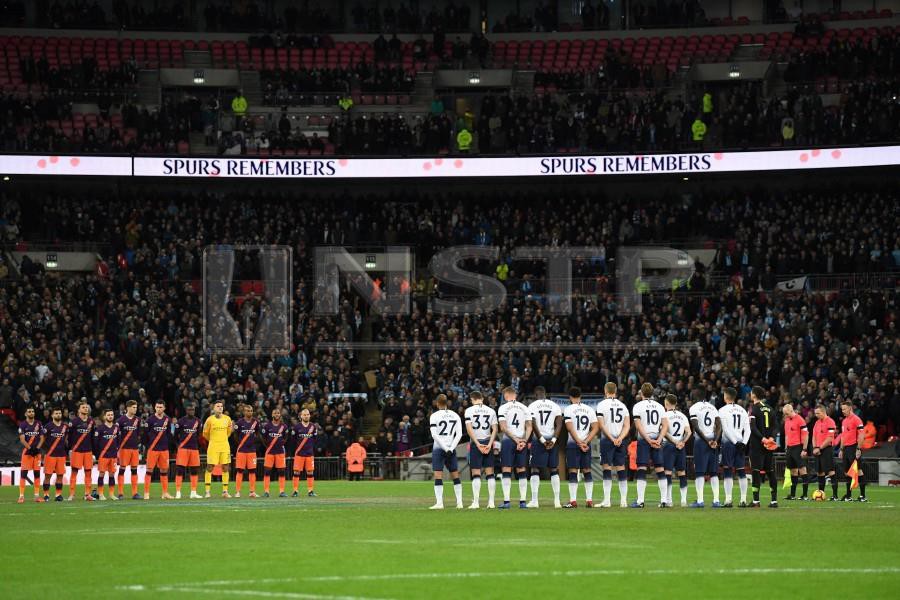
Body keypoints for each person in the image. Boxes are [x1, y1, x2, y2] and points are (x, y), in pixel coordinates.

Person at [631, 383, 669, 508]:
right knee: (660, 469)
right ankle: (664, 500)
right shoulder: (659, 406)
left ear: (641, 393)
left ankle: (640, 501)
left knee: (641, 468)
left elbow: (638, 426)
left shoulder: (637, 406)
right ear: (652, 393)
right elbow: (665, 425)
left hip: (644, 440)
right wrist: (659, 439)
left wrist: (648, 439)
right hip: (657, 439)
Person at [562, 386, 598, 509]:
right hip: (586, 444)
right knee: (587, 471)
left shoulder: (568, 409)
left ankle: (573, 501)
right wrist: (585, 442)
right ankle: (589, 500)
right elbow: (595, 428)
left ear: (570, 397)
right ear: (580, 396)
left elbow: (569, 428)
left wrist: (578, 442)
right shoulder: (589, 409)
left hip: (573, 443)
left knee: (573, 471)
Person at [596, 382, 630, 507]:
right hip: (620, 440)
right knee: (621, 467)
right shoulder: (623, 406)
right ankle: (623, 501)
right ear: (615, 391)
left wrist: (611, 438)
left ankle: (607, 500)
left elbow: (601, 424)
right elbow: (627, 425)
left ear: (605, 391)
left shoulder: (601, 405)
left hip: (607, 440)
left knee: (607, 468)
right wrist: (620, 438)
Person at [497, 386, 531, 509]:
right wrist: (524, 441)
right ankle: (522, 502)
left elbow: (503, 427)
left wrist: (515, 440)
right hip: (522, 440)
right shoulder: (524, 407)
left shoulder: (503, 408)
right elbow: (529, 427)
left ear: (506, 396)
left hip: (509, 441)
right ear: (515, 395)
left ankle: (507, 502)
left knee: (506, 469)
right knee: (521, 469)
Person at [527, 386, 562, 508]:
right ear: (545, 394)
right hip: (552, 438)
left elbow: (533, 423)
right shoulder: (555, 405)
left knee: (535, 469)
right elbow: (559, 423)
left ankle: (535, 501)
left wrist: (541, 439)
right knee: (554, 469)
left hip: (538, 440)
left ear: (536, 395)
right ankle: (557, 501)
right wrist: (553, 439)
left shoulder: (532, 406)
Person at [463, 390, 498, 509]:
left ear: (472, 400)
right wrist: (490, 443)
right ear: (482, 398)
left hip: (476, 443)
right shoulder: (491, 410)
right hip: (488, 441)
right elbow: (495, 429)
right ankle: (491, 502)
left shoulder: (469, 410)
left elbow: (469, 429)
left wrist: (477, 444)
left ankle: (476, 503)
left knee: (476, 473)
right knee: (490, 473)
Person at [428, 393, 463, 510]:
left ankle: (439, 503)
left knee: (438, 475)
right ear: (447, 403)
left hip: (439, 448)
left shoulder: (434, 416)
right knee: (455, 475)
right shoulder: (455, 415)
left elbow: (434, 434)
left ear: (437, 403)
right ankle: (459, 503)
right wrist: (451, 448)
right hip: (451, 448)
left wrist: (444, 447)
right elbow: (459, 434)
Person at [718, 387, 750, 508]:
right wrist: (743, 443)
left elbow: (725, 429)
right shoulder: (742, 410)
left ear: (726, 397)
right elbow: (748, 429)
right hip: (741, 443)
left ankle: (728, 500)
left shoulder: (722, 410)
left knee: (727, 470)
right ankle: (743, 500)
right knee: (741, 471)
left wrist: (735, 442)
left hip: (729, 443)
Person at [689, 392, 721, 508]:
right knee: (713, 472)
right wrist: (715, 440)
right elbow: (719, 425)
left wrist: (706, 440)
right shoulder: (712, 407)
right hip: (713, 440)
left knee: (699, 472)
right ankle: (716, 501)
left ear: (695, 397)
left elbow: (696, 427)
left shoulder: (694, 408)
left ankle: (700, 501)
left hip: (701, 442)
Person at [749, 386, 779, 508]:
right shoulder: (770, 409)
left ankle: (756, 501)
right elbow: (776, 426)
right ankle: (774, 501)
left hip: (758, 445)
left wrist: (762, 439)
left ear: (754, 395)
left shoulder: (754, 409)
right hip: (769, 446)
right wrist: (771, 438)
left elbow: (752, 427)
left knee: (756, 471)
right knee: (770, 472)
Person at [662, 394, 691, 508]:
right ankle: (683, 501)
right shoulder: (682, 416)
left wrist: (674, 442)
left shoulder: (664, 415)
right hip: (681, 446)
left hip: (669, 445)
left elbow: (663, 431)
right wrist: (682, 442)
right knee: (682, 473)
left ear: (667, 403)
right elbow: (688, 432)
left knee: (668, 472)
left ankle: (669, 500)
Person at [202, 399, 232, 498]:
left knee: (225, 467)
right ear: (214, 408)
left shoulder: (227, 419)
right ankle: (207, 492)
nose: (220, 408)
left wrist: (222, 439)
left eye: (221, 406)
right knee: (210, 467)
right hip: (213, 446)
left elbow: (229, 432)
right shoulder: (209, 419)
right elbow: (205, 433)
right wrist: (213, 440)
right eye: (218, 406)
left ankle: (225, 491)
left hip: (224, 446)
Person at [838, 400, 867, 502]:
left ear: (850, 408)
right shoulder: (844, 421)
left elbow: (862, 435)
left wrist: (858, 448)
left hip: (854, 447)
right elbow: (843, 436)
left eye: (844, 409)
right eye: (842, 409)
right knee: (847, 472)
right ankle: (848, 496)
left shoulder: (857, 420)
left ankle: (863, 496)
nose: (843, 411)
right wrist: (841, 449)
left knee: (858, 470)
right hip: (846, 448)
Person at [810, 404, 839, 501]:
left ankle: (835, 496)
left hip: (826, 449)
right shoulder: (817, 422)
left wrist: (820, 448)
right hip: (817, 449)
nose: (816, 415)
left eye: (818, 413)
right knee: (820, 472)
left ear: (823, 412)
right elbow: (813, 436)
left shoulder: (830, 422)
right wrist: (815, 447)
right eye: (815, 413)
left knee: (830, 471)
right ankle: (820, 493)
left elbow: (830, 438)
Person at [68, 400, 95, 501]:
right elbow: (69, 437)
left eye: (86, 407)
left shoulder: (91, 421)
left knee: (88, 472)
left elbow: (92, 437)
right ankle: (72, 494)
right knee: (74, 472)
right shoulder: (74, 422)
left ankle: (87, 494)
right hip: (77, 451)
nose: (86, 409)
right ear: (79, 410)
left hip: (88, 451)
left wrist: (93, 452)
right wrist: (71, 449)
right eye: (83, 407)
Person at [145, 400, 173, 500]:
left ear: (164, 408)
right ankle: (146, 493)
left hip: (164, 449)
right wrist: (148, 446)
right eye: (157, 407)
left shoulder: (167, 420)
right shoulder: (150, 420)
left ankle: (165, 493)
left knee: (164, 470)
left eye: (161, 407)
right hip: (153, 449)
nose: (159, 409)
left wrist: (168, 445)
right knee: (149, 470)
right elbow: (145, 435)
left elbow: (169, 434)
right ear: (154, 408)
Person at [174, 403, 202, 499]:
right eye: (190, 409)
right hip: (183, 449)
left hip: (194, 449)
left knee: (194, 470)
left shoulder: (198, 421)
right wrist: (179, 446)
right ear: (186, 410)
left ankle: (193, 492)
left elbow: (198, 434)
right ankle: (178, 492)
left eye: (193, 410)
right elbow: (175, 435)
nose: (191, 411)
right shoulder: (181, 421)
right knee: (180, 470)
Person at [782, 403, 810, 500]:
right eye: (784, 414)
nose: (785, 415)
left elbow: (806, 435)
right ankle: (793, 495)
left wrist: (804, 449)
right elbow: (787, 435)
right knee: (793, 471)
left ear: (791, 410)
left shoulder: (800, 420)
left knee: (802, 470)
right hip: (790, 448)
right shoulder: (787, 421)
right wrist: (786, 448)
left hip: (798, 447)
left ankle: (805, 495)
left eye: (786, 413)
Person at [41, 407, 69, 502]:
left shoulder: (65, 427)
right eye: (56, 413)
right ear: (52, 415)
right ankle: (46, 495)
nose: (58, 415)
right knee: (48, 475)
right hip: (50, 455)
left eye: (59, 413)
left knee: (60, 475)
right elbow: (42, 440)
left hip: (61, 455)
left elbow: (65, 440)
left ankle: (58, 495)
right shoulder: (48, 427)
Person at [115, 399, 142, 500]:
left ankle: (135, 493)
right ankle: (120, 493)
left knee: (134, 470)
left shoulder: (137, 420)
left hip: (134, 448)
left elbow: (138, 434)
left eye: (136, 407)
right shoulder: (120, 420)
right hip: (124, 449)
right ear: (128, 408)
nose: (135, 409)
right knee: (122, 470)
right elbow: (117, 435)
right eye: (133, 407)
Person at [17, 406, 44, 503]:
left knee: (37, 474)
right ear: (26, 414)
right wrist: (30, 448)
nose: (31, 413)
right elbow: (22, 439)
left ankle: (36, 496)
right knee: (24, 474)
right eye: (29, 411)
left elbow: (42, 438)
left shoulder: (39, 423)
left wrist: (37, 448)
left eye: (32, 411)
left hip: (37, 453)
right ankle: (21, 496)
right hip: (27, 453)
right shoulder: (22, 425)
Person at [233, 404, 259, 498]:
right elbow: (235, 435)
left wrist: (252, 442)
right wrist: (241, 443)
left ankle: (252, 491)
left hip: (252, 450)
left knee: (252, 471)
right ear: (244, 412)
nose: (250, 412)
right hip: (241, 450)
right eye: (248, 411)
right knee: (240, 471)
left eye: (251, 410)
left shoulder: (256, 422)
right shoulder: (239, 422)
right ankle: (238, 492)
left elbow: (257, 433)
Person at [260, 407, 288, 498]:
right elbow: (263, 437)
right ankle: (266, 491)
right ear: (272, 415)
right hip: (270, 452)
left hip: (280, 452)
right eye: (275, 413)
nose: (276, 415)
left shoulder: (284, 426)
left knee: (281, 472)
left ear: (280, 415)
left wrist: (281, 444)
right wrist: (267, 446)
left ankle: (282, 491)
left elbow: (286, 437)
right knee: (267, 471)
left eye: (278, 413)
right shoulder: (267, 426)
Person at [93, 408, 119, 501]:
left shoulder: (116, 428)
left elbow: (118, 441)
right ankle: (100, 494)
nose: (110, 416)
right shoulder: (100, 428)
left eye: (111, 414)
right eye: (108, 415)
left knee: (112, 475)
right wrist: (97, 455)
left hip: (113, 456)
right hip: (103, 455)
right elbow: (95, 443)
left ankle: (111, 494)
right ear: (104, 417)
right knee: (102, 474)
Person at [291, 408, 318, 498]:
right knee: (296, 472)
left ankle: (310, 491)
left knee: (310, 472)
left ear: (309, 416)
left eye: (307, 414)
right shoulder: (296, 427)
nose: (306, 416)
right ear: (301, 416)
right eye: (304, 414)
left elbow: (314, 439)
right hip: (299, 453)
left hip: (309, 453)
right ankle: (295, 491)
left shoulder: (313, 427)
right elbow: (293, 440)